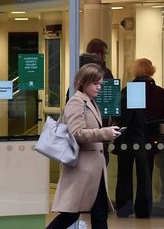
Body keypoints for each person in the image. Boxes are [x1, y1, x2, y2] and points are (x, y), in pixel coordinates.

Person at [45, 63, 122, 229]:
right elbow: (77, 133)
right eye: (95, 84)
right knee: (70, 215)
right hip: (83, 168)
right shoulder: (76, 103)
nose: (99, 87)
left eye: (100, 83)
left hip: (94, 168)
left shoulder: (89, 102)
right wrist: (105, 133)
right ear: (84, 82)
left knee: (99, 214)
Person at [115, 58, 164, 218]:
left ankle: (124, 208)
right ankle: (143, 209)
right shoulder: (159, 91)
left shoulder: (131, 90)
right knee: (145, 174)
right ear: (151, 71)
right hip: (149, 139)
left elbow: (126, 117)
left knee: (125, 173)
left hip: (128, 139)